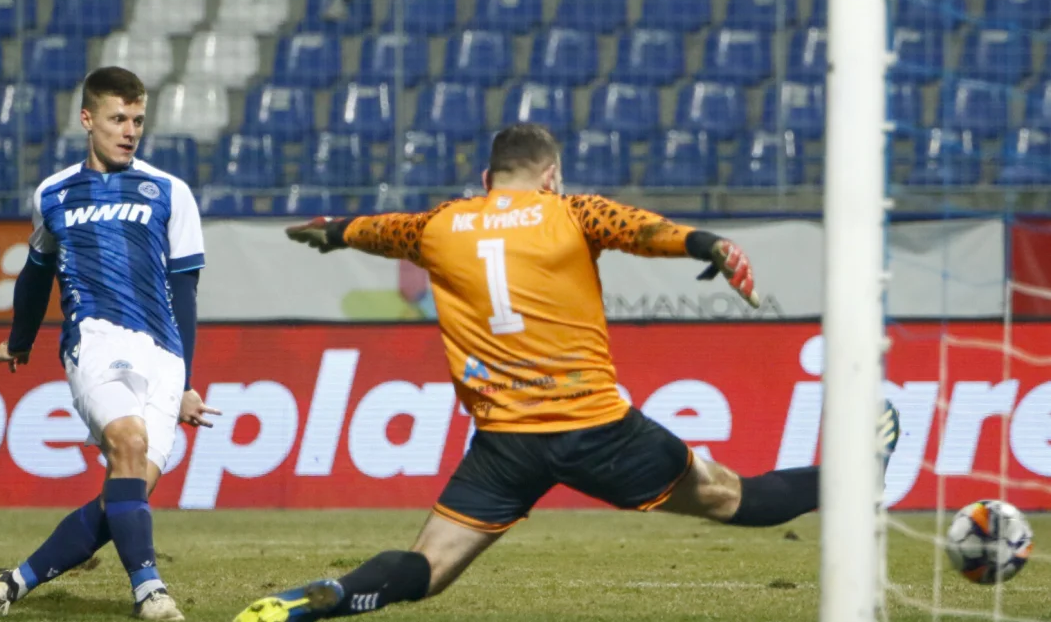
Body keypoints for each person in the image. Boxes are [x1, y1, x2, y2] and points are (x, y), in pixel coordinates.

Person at [234, 123, 901, 622]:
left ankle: (335, 594)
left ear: (487, 175)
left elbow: (381, 230)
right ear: (550, 175)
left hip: (505, 443)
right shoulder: (571, 212)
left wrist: (334, 230)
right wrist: (709, 244)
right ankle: (856, 475)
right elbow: (642, 229)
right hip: (596, 428)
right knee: (734, 496)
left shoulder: (439, 224)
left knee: (430, 567)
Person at [0, 66, 219, 621]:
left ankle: (10, 585)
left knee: (120, 498)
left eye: (138, 120)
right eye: (118, 119)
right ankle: (151, 591)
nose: (129, 131)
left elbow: (184, 293)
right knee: (126, 440)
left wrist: (186, 379)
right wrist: (20, 341)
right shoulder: (53, 193)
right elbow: (35, 272)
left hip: (163, 356)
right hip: (94, 341)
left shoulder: (170, 192)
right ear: (87, 119)